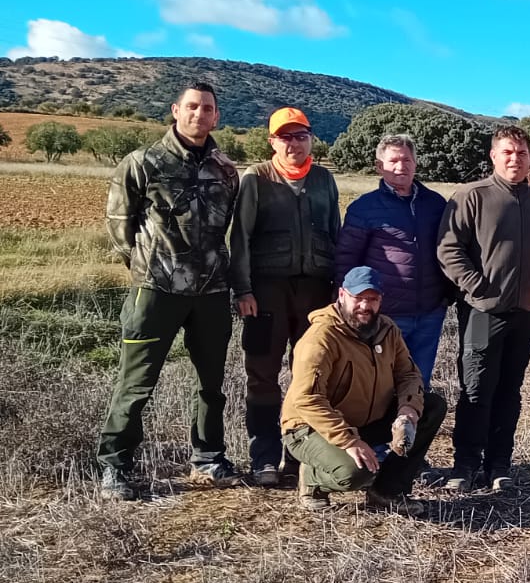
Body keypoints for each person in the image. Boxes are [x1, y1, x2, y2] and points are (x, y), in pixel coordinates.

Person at [97, 81, 242, 500]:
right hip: (156, 291)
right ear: (176, 110)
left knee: (212, 383)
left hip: (213, 292)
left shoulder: (226, 170)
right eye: (192, 106)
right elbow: (119, 227)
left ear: (216, 116)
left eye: (208, 108)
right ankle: (115, 467)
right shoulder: (142, 162)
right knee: (136, 382)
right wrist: (150, 266)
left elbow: (227, 227)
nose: (200, 114)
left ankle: (209, 458)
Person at [437, 125, 530, 492]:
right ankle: (466, 465)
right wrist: (476, 285)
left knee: (511, 390)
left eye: (521, 153)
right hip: (481, 312)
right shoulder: (472, 197)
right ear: (493, 155)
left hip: (526, 313)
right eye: (507, 152)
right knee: (476, 389)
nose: (514, 159)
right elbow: (448, 249)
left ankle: (499, 464)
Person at [229, 106, 341, 486]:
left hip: (315, 293)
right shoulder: (256, 178)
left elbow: (335, 234)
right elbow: (240, 238)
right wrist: (243, 288)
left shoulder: (325, 179)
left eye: (301, 135)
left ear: (311, 138)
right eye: (285, 136)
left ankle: (299, 457)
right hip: (265, 292)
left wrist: (336, 292)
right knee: (261, 375)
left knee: (307, 375)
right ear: (272, 141)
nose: (294, 143)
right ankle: (263, 458)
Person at [280, 267, 448, 513]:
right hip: (309, 428)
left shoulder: (387, 330)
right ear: (342, 295)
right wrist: (349, 440)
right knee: (355, 474)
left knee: (432, 406)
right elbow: (308, 400)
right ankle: (313, 478)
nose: (365, 306)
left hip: (363, 420)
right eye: (358, 298)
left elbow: (408, 373)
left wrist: (407, 411)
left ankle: (387, 491)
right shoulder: (320, 337)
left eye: (372, 299)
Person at [333, 133, 449, 386]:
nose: (401, 166)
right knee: (379, 386)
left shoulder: (436, 204)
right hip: (385, 314)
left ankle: (413, 427)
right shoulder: (364, 208)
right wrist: (344, 305)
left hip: (429, 312)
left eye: (407, 160)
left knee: (419, 385)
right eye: (393, 160)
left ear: (416, 163)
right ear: (379, 166)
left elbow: (449, 251)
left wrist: (446, 296)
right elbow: (346, 260)